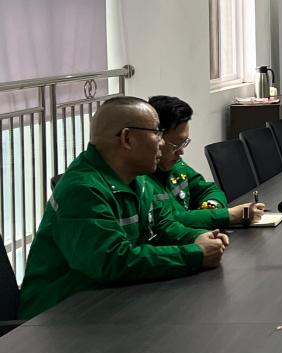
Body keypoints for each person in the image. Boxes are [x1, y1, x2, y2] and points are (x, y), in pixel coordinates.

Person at [17, 97, 229, 319]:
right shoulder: (83, 189)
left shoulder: (139, 179)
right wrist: (194, 254)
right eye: (156, 133)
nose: (162, 142)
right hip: (55, 316)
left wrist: (198, 237)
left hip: (109, 301)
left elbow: (164, 225)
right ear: (127, 138)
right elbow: (112, 260)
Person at [148, 95, 264, 228]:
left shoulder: (176, 165)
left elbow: (209, 190)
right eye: (176, 144)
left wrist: (209, 210)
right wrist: (228, 215)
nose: (181, 152)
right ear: (156, 139)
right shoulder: (142, 178)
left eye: (184, 143)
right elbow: (167, 221)